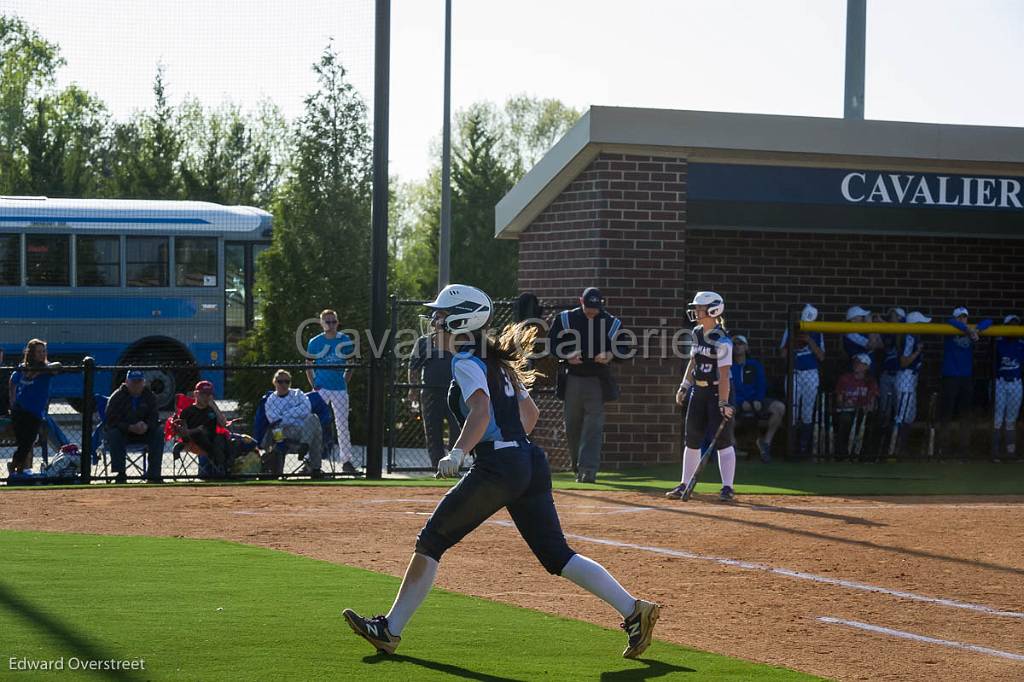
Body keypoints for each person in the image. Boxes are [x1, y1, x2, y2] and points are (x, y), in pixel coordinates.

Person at [342, 284, 660, 659]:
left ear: (462, 319)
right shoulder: (497, 362)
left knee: (431, 542)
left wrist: (462, 452)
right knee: (557, 554)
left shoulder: (466, 361)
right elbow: (530, 417)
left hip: (501, 466)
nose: (434, 322)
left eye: (441, 316)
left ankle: (390, 629)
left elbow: (480, 414)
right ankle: (633, 609)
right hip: (529, 461)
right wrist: (506, 447)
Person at [547, 287, 627, 483]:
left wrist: (611, 355)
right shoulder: (565, 319)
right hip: (572, 377)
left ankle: (588, 470)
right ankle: (577, 466)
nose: (592, 311)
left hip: (597, 380)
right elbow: (551, 345)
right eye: (588, 307)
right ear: (581, 301)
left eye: (596, 308)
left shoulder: (611, 323)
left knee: (594, 426)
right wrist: (567, 355)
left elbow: (625, 348)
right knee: (572, 426)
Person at [667, 291, 737, 502]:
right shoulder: (696, 332)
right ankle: (684, 484)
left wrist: (724, 402)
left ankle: (727, 487)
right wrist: (684, 386)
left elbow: (724, 374)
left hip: (718, 391)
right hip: (698, 391)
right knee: (692, 438)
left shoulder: (722, 340)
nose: (696, 312)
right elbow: (693, 361)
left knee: (723, 441)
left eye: (699, 308)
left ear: (713, 310)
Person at [306, 309, 356, 474]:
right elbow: (308, 364)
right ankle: (310, 461)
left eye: (334, 321)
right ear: (321, 323)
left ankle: (346, 461)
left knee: (342, 425)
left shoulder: (345, 340)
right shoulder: (315, 342)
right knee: (313, 423)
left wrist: (344, 380)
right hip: (321, 387)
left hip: (339, 388)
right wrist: (314, 384)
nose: (331, 325)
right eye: (327, 321)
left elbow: (351, 364)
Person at [938, 307, 992, 459]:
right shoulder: (950, 327)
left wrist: (976, 330)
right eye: (960, 317)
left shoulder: (972, 329)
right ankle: (943, 448)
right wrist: (968, 329)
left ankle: (964, 448)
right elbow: (949, 321)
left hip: (966, 378)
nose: (963, 319)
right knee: (946, 414)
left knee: (965, 415)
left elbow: (989, 321)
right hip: (950, 377)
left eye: (965, 317)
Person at [408, 307, 459, 468]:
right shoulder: (424, 341)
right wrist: (413, 389)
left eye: (442, 317)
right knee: (433, 432)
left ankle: (453, 465)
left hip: (455, 392)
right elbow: (413, 367)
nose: (438, 321)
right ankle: (436, 467)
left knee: (457, 431)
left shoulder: (457, 340)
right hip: (430, 392)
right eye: (436, 317)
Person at [7, 339, 61, 476]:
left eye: (44, 351)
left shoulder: (47, 369)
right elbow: (12, 382)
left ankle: (15, 467)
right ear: (31, 353)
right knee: (24, 443)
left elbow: (58, 366)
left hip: (35, 412)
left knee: (29, 441)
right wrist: (12, 401)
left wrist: (42, 370)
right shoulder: (23, 367)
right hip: (20, 410)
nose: (42, 354)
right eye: (38, 352)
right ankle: (16, 469)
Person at [730, 335, 785, 463]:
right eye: (735, 344)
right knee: (727, 411)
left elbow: (761, 384)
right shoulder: (728, 366)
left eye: (741, 344)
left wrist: (758, 400)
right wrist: (740, 401)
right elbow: (728, 388)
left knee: (779, 408)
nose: (738, 347)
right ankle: (732, 445)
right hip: (737, 401)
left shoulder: (754, 365)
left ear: (746, 347)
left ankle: (765, 443)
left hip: (755, 401)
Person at [104, 369, 165, 483]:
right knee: (114, 433)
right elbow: (111, 420)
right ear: (127, 382)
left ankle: (154, 475)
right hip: (124, 433)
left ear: (144, 383)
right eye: (133, 382)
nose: (136, 386)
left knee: (158, 432)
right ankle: (120, 474)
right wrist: (129, 427)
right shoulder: (117, 397)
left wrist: (146, 426)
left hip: (143, 433)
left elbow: (154, 416)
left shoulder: (149, 396)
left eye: (139, 382)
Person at [779, 304, 824, 458]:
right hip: (795, 373)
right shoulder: (791, 329)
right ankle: (790, 447)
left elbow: (821, 356)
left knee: (807, 412)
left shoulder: (817, 331)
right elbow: (782, 354)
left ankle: (804, 448)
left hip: (811, 373)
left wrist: (809, 340)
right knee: (792, 409)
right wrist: (794, 341)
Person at [263, 369, 324, 478]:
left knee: (313, 418)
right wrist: (295, 412)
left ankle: (305, 447)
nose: (283, 384)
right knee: (312, 432)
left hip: (303, 430)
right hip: (284, 431)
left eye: (287, 381)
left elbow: (307, 409)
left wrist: (284, 415)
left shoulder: (298, 393)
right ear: (274, 382)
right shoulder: (271, 400)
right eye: (280, 381)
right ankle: (315, 468)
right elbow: (275, 421)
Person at [892, 311, 930, 456]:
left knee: (910, 415)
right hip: (905, 377)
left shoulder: (914, 336)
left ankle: (902, 447)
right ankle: (895, 448)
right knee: (901, 415)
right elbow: (904, 362)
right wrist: (918, 351)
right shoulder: (909, 337)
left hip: (911, 378)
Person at [177, 380, 230, 477]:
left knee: (223, 438)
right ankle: (217, 467)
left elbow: (223, 424)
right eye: (203, 394)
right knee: (201, 435)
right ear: (196, 394)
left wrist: (214, 406)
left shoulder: (211, 410)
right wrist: (197, 430)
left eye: (209, 395)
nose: (206, 397)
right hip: (193, 441)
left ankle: (223, 468)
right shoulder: (187, 411)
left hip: (212, 439)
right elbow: (182, 433)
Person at [834, 353, 880, 460]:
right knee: (845, 419)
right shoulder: (844, 378)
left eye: (859, 363)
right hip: (848, 411)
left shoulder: (871, 381)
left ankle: (864, 454)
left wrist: (868, 407)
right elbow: (839, 401)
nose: (856, 365)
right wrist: (846, 404)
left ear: (866, 366)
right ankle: (842, 454)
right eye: (855, 362)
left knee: (871, 421)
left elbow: (872, 403)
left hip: (863, 413)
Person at [992, 314, 1024, 461]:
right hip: (1001, 382)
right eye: (1011, 324)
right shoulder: (999, 342)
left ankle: (1010, 452)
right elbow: (993, 363)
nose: (1014, 327)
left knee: (1011, 420)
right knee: (998, 419)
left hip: (1016, 383)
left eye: (1016, 324)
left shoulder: (1021, 344)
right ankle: (995, 451)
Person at [878, 307, 906, 422]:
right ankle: (885, 434)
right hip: (886, 374)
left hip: (900, 376)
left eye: (893, 316)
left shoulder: (904, 329)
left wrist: (883, 323)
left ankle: (897, 435)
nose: (890, 318)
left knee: (899, 409)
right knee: (885, 409)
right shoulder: (886, 331)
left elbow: (899, 332)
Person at [843, 305, 883, 370]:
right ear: (853, 320)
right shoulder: (850, 334)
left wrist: (873, 325)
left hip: (869, 367)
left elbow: (881, 345)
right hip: (858, 368)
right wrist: (869, 324)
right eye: (862, 316)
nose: (864, 319)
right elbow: (872, 345)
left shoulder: (865, 331)